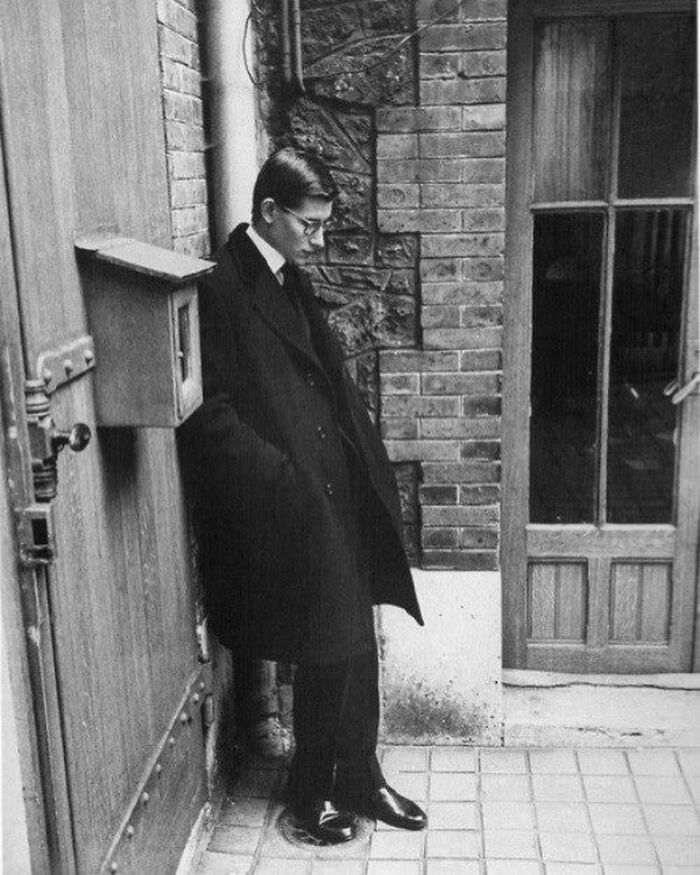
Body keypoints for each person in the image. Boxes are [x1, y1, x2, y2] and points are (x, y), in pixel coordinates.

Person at [183, 147, 426, 844]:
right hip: (288, 502)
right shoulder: (224, 287)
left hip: (334, 487)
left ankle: (360, 771)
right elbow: (209, 414)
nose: (319, 239)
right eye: (309, 224)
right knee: (325, 640)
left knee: (358, 637)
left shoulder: (287, 276)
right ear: (267, 212)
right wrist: (282, 483)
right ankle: (310, 789)